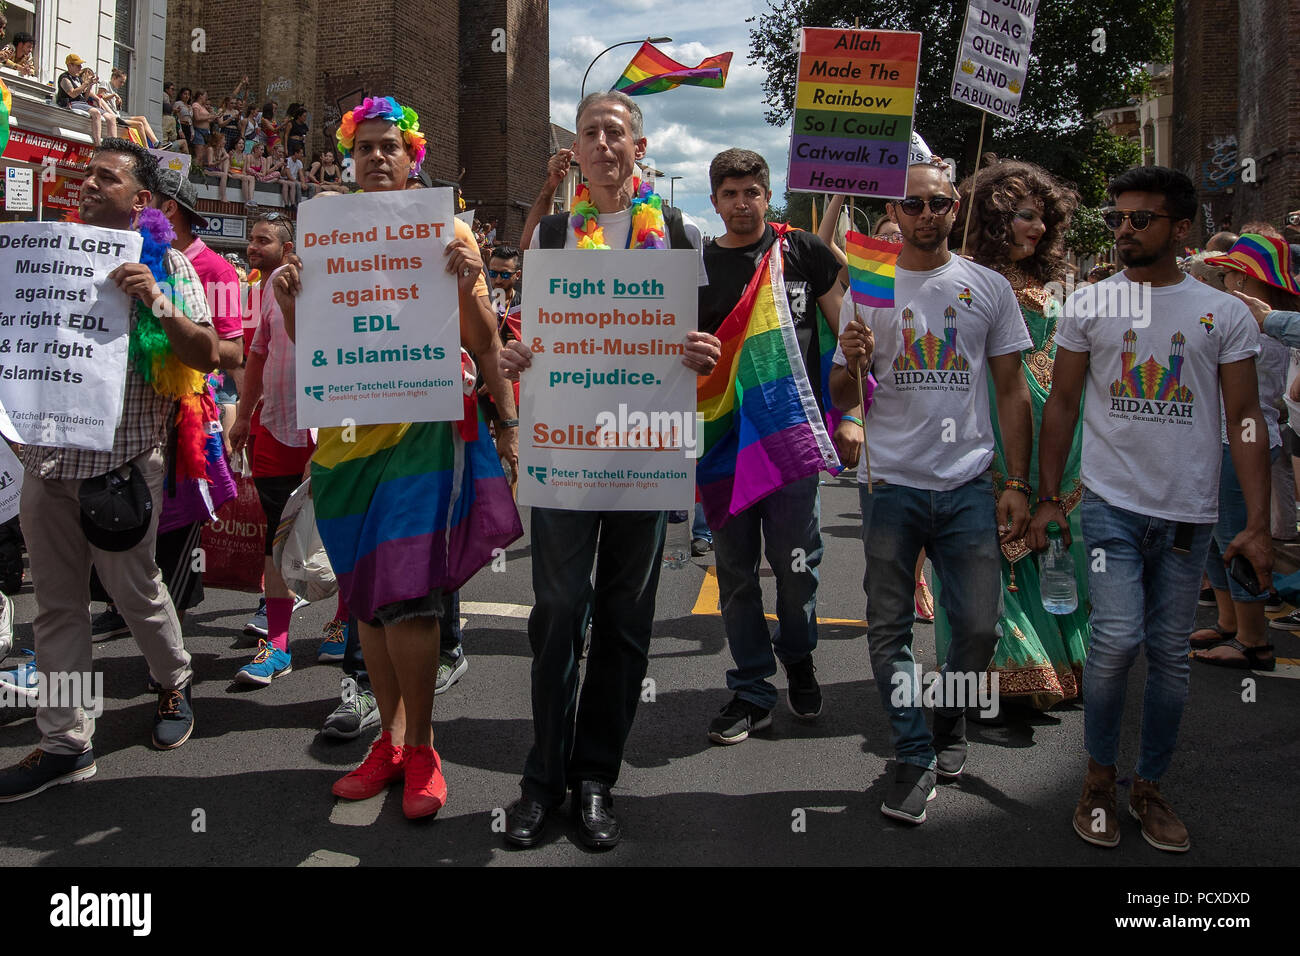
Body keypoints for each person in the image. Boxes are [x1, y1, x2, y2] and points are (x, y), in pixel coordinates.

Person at [275, 95, 522, 820]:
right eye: (364, 149)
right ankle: (388, 741)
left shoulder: (444, 231)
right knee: (366, 605)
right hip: (345, 438)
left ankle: (424, 749)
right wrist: (290, 296)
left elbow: (482, 338)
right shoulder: (323, 234)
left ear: (413, 157)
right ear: (349, 158)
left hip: (422, 430)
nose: (377, 158)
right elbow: (312, 341)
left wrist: (469, 275)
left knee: (410, 596)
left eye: (390, 147)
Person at [497, 90, 721, 849]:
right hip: (565, 452)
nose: (601, 143)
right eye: (590, 132)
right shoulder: (557, 234)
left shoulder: (680, 231)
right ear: (578, 151)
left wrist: (702, 356)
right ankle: (541, 779)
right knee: (559, 611)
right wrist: (515, 356)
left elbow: (703, 342)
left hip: (646, 453)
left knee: (625, 619)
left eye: (614, 132)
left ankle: (596, 778)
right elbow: (530, 336)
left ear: (639, 146)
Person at [1027, 165, 1272, 853]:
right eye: (1117, 219)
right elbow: (1065, 405)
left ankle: (1149, 785)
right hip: (1110, 506)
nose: (1125, 230)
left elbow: (1245, 416)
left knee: (1170, 653)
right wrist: (1050, 497)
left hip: (1189, 514)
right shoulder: (1091, 304)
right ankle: (1098, 779)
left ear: (1181, 228)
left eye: (1141, 219)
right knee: (1115, 643)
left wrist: (1255, 523)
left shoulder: (1220, 313)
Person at [0, 139, 219, 802]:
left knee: (136, 590)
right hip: (46, 466)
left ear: (140, 200)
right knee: (57, 607)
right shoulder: (43, 257)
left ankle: (173, 680)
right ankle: (67, 738)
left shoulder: (169, 264)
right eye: (84, 174)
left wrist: (154, 298)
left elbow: (206, 354)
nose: (86, 184)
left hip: (121, 466)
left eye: (105, 176)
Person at [830, 161, 1034, 825]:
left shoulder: (987, 287)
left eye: (937, 203)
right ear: (898, 208)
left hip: (968, 483)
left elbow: (1010, 390)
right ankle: (913, 753)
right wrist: (852, 363)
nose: (924, 214)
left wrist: (1018, 482)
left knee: (976, 626)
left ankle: (950, 720)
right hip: (890, 485)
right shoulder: (869, 288)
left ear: (955, 209)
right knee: (889, 626)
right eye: (912, 204)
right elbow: (842, 393)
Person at [696, 148, 863, 745]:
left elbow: (847, 337)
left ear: (769, 197)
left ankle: (799, 654)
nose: (742, 204)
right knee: (736, 574)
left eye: (752, 193)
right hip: (722, 444)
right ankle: (750, 689)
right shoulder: (695, 265)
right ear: (715, 201)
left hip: (790, 437)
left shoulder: (802, 253)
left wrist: (850, 414)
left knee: (798, 570)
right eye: (730, 194)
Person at [928, 158, 1089, 710]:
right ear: (993, 219)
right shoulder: (964, 278)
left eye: (1044, 218)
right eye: (1024, 216)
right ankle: (995, 676)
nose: (1037, 228)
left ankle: (1055, 663)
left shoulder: (1047, 284)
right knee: (990, 552)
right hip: (988, 429)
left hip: (1056, 434)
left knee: (1050, 548)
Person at [91, 169, 245, 641]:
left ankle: (169, 670)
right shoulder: (96, 253)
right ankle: (124, 608)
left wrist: (237, 413)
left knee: (170, 535)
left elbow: (230, 350)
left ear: (161, 205)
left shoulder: (210, 269)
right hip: (99, 425)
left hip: (180, 418)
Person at [227, 213, 314, 684]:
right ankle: (277, 645)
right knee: (275, 539)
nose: (252, 246)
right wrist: (243, 415)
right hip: (277, 426)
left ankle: (343, 624)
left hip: (333, 434)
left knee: (337, 532)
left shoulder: (357, 279)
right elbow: (258, 352)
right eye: (251, 237)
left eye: (264, 239)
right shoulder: (274, 283)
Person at [57, 56, 115, 144]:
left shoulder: (78, 79)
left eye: (80, 65)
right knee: (96, 112)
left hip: (82, 103)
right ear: (69, 65)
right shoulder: (64, 78)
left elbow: (85, 98)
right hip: (72, 103)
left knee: (111, 117)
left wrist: (90, 85)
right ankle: (98, 143)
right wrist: (85, 84)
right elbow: (72, 94)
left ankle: (113, 145)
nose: (80, 68)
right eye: (78, 65)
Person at [280, 143, 307, 208]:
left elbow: (301, 175)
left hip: (293, 180)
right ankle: (298, 204)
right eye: (301, 153)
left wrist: (303, 183)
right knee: (297, 184)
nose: (302, 155)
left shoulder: (299, 162)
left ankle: (309, 204)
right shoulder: (288, 160)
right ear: (296, 153)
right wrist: (298, 182)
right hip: (287, 179)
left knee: (311, 186)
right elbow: (289, 176)